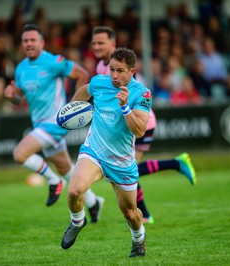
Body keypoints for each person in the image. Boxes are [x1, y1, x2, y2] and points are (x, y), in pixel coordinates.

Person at [91, 26, 197, 224]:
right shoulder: (100, 67)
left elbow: (135, 95)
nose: (96, 46)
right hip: (123, 124)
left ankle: (146, 212)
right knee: (130, 169)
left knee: (129, 169)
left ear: (112, 44)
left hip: (140, 123)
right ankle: (147, 211)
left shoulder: (119, 69)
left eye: (101, 43)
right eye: (94, 43)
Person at [4, 24, 104, 223]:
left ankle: (52, 181)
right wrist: (12, 95)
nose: (29, 43)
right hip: (39, 124)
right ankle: (94, 202)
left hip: (55, 123)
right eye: (26, 40)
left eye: (33, 40)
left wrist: (74, 108)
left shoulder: (53, 62)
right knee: (66, 169)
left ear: (42, 42)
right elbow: (19, 97)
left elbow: (82, 74)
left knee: (20, 154)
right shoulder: (21, 68)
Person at [61, 47, 150, 257]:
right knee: (75, 190)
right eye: (111, 70)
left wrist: (125, 106)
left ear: (132, 71)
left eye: (120, 71)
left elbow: (139, 130)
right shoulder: (100, 82)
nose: (114, 75)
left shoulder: (142, 93)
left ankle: (139, 239)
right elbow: (85, 89)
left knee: (130, 212)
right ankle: (77, 221)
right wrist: (72, 109)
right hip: (94, 152)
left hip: (122, 162)